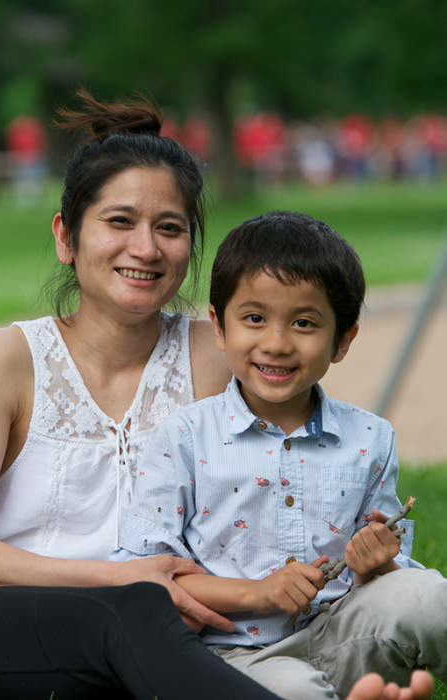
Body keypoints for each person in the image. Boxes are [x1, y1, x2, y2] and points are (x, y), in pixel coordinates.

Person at [0, 95, 435, 700]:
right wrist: (124, 581)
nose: (146, 247)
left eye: (170, 227)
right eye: (119, 222)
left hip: (171, 634)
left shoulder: (218, 351)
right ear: (66, 236)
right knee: (130, 613)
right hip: (1, 624)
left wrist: (364, 554)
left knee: (154, 626)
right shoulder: (7, 359)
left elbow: (307, 465)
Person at [112, 211, 447, 699]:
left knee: (432, 599)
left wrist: (377, 562)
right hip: (235, 659)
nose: (276, 343)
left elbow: (389, 587)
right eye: (254, 318)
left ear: (343, 339)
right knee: (294, 692)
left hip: (344, 637)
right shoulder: (185, 436)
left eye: (304, 323)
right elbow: (144, 578)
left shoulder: (370, 438)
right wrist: (258, 593)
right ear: (219, 327)